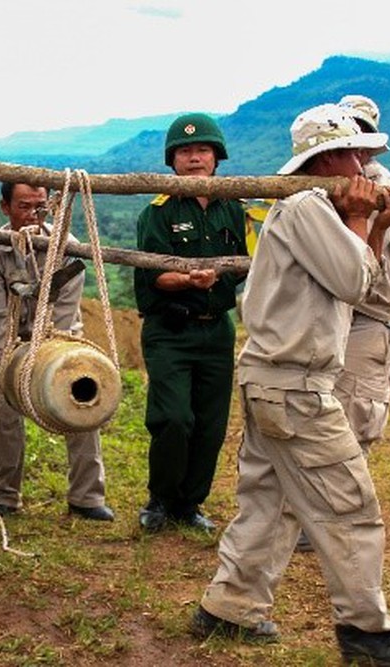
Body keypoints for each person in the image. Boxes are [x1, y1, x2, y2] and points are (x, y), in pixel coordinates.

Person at [190, 103, 390, 666]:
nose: (363, 166)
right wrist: (363, 222)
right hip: (294, 386)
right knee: (348, 504)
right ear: (325, 159)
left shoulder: (313, 207)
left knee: (269, 501)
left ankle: (230, 605)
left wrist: (377, 225)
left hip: (278, 380)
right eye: (351, 154)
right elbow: (353, 279)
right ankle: (366, 632)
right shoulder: (308, 208)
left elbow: (360, 280)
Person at [132, 112, 248, 532]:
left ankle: (190, 504)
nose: (194, 158)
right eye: (185, 151)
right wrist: (187, 279)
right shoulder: (159, 211)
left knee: (211, 422)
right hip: (171, 330)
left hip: (217, 328)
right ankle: (161, 499)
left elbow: (250, 262)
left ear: (216, 157)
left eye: (202, 150)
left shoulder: (234, 208)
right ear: (172, 160)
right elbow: (152, 274)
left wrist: (228, 273)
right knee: (174, 418)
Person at [0, 182, 114, 522]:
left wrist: (44, 364)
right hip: (11, 345)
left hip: (59, 342)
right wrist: (10, 368)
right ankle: (4, 495)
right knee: (2, 406)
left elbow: (62, 320)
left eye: (41, 207)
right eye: (24, 206)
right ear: (5, 207)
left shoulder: (69, 249)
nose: (33, 215)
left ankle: (86, 496)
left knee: (80, 399)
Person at [333, 94, 390, 455]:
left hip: (369, 316)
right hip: (342, 314)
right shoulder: (340, 183)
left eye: (360, 135)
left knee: (353, 425)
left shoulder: (378, 188)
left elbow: (363, 265)